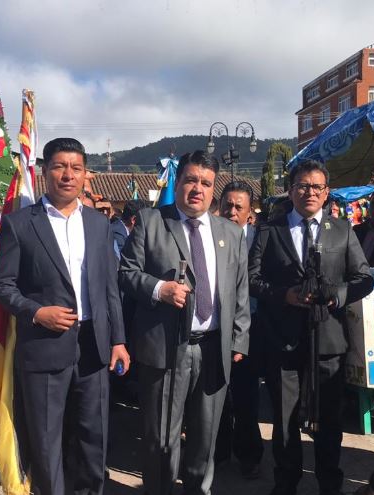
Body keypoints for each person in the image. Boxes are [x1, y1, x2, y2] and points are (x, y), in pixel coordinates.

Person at [0, 138, 128, 495]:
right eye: (60, 166)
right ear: (44, 172)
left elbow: (109, 288)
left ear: (85, 175)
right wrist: (38, 312)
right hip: (44, 346)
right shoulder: (20, 225)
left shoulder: (99, 225)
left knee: (92, 437)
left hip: (94, 346)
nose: (68, 175)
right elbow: (3, 287)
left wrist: (119, 340)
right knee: (46, 441)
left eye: (76, 167)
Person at [119, 150, 250, 495]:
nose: (198, 189)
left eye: (206, 183)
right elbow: (126, 273)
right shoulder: (151, 221)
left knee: (205, 439)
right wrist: (160, 289)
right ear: (178, 183)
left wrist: (239, 339)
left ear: (214, 189)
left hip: (213, 349)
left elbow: (239, 289)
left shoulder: (230, 233)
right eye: (191, 180)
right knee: (161, 439)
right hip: (165, 349)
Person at [249, 160, 373, 495]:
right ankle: (286, 481)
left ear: (327, 192)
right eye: (303, 185)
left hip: (329, 340)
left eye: (317, 187)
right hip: (283, 340)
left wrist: (338, 296)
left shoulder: (342, 230)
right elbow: (251, 280)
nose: (310, 192)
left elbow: (365, 278)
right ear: (290, 190)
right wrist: (283, 296)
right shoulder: (269, 230)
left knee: (329, 420)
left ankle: (329, 483)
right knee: (285, 419)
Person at [215, 180, 263, 478]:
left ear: (249, 213)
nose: (232, 212)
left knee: (246, 398)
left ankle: (249, 454)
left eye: (238, 207)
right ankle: (217, 454)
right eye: (227, 206)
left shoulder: (260, 240)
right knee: (215, 396)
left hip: (251, 330)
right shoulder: (207, 235)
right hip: (213, 329)